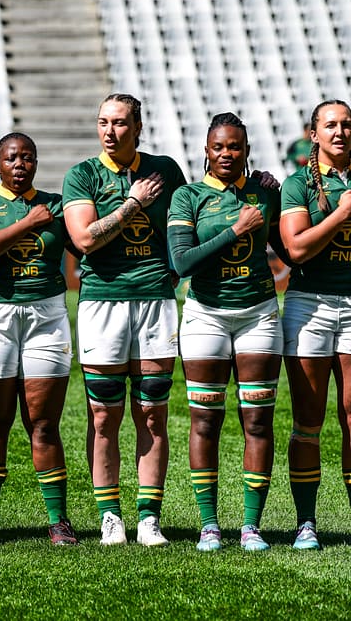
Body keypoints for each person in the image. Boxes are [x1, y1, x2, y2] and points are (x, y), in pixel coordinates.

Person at [62, 93, 186, 547]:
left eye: (118, 123)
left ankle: (149, 517)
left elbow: (190, 221)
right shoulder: (83, 175)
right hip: (103, 304)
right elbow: (84, 239)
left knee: (152, 414)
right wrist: (132, 204)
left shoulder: (166, 170)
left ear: (138, 127)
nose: (109, 131)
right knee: (103, 417)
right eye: (102, 122)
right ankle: (110, 515)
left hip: (155, 301)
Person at [168, 112, 282, 552]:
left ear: (247, 151)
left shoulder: (264, 193)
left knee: (257, 419)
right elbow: (181, 264)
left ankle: (251, 526)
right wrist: (237, 229)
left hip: (258, 314)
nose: (227, 154)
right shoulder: (187, 197)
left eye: (235, 147)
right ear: (206, 151)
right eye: (219, 147)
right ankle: (210, 524)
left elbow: (288, 245)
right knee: (205, 420)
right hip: (206, 315)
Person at [0, 133, 77, 546]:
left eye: (27, 157)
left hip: (47, 314)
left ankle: (58, 520)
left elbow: (85, 245)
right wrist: (28, 222)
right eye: (11, 158)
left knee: (44, 424)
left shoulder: (58, 204)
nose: (20, 164)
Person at [279, 99, 351, 550]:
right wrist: (343, 213)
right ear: (314, 135)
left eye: (347, 124)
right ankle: (306, 521)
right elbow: (297, 249)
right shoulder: (297, 184)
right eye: (331, 125)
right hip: (309, 304)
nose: (340, 131)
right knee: (309, 419)